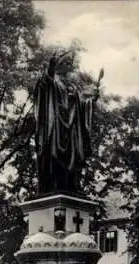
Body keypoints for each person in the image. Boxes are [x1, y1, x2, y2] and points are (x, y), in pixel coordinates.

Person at [34, 52, 103, 194]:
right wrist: (50, 69)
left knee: (71, 160)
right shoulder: (52, 81)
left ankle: (70, 185)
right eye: (66, 64)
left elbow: (81, 106)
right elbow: (44, 85)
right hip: (55, 128)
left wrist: (92, 100)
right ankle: (53, 185)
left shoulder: (71, 88)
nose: (68, 67)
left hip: (70, 131)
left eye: (69, 65)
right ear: (59, 65)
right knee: (54, 158)